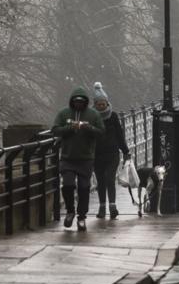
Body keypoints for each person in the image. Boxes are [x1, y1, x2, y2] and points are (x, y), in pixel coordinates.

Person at [51, 85, 103, 231]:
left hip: (86, 158)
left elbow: (101, 132)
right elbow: (55, 130)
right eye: (76, 101)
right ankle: (70, 210)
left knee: (84, 188)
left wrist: (88, 128)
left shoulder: (93, 115)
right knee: (67, 185)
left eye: (81, 101)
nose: (78, 104)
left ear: (85, 102)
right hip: (68, 157)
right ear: (72, 101)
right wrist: (70, 128)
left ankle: (81, 216)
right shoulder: (64, 113)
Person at [91, 82, 130, 219]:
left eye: (103, 104)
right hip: (96, 154)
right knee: (101, 181)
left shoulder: (113, 116)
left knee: (109, 178)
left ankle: (112, 206)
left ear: (107, 103)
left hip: (112, 153)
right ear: (95, 104)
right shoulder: (91, 117)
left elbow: (119, 135)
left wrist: (125, 151)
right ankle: (102, 208)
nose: (101, 106)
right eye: (98, 104)